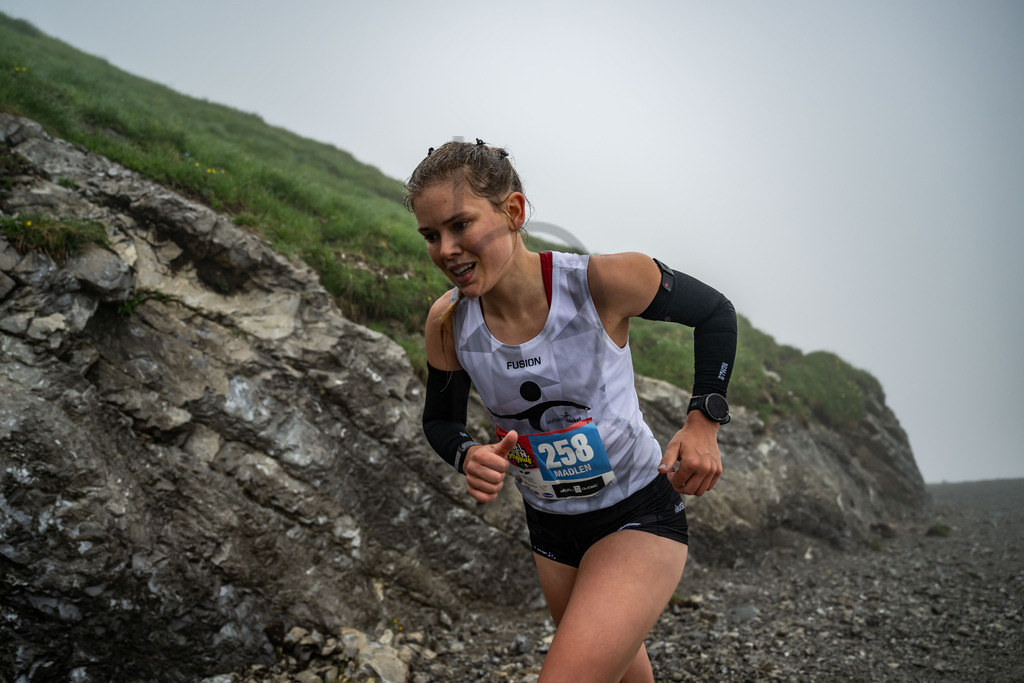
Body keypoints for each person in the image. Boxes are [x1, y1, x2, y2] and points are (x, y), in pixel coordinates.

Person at [407, 139, 736, 683]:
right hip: (552, 529)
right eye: (430, 235)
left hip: (637, 513)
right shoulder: (447, 322)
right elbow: (439, 422)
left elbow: (716, 314)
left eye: (459, 225)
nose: (445, 249)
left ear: (512, 212)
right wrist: (469, 456)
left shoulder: (602, 282)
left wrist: (703, 423)